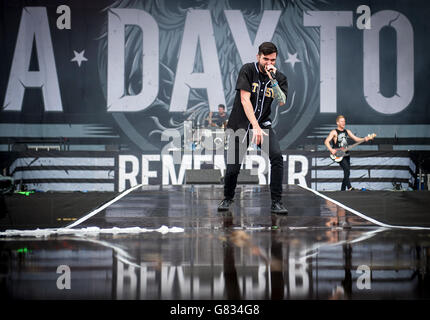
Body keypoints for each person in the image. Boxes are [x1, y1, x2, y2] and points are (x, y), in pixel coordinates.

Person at [217, 42, 288, 214]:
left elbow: (282, 100)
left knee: (277, 157)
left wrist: (273, 80)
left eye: (272, 60)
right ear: (258, 57)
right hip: (241, 125)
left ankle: (276, 202)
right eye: (265, 59)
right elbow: (244, 99)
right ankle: (228, 198)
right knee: (233, 167)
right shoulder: (248, 70)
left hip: (263, 124)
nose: (269, 63)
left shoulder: (279, 77)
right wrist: (254, 127)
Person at [324, 115, 370, 191]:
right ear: (337, 123)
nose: (343, 123)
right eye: (342, 121)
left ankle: (342, 190)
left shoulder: (347, 131)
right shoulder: (334, 132)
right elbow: (326, 141)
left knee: (347, 172)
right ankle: (349, 187)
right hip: (338, 154)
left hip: (346, 154)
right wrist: (331, 150)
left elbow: (356, 139)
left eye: (344, 121)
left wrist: (364, 139)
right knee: (347, 170)